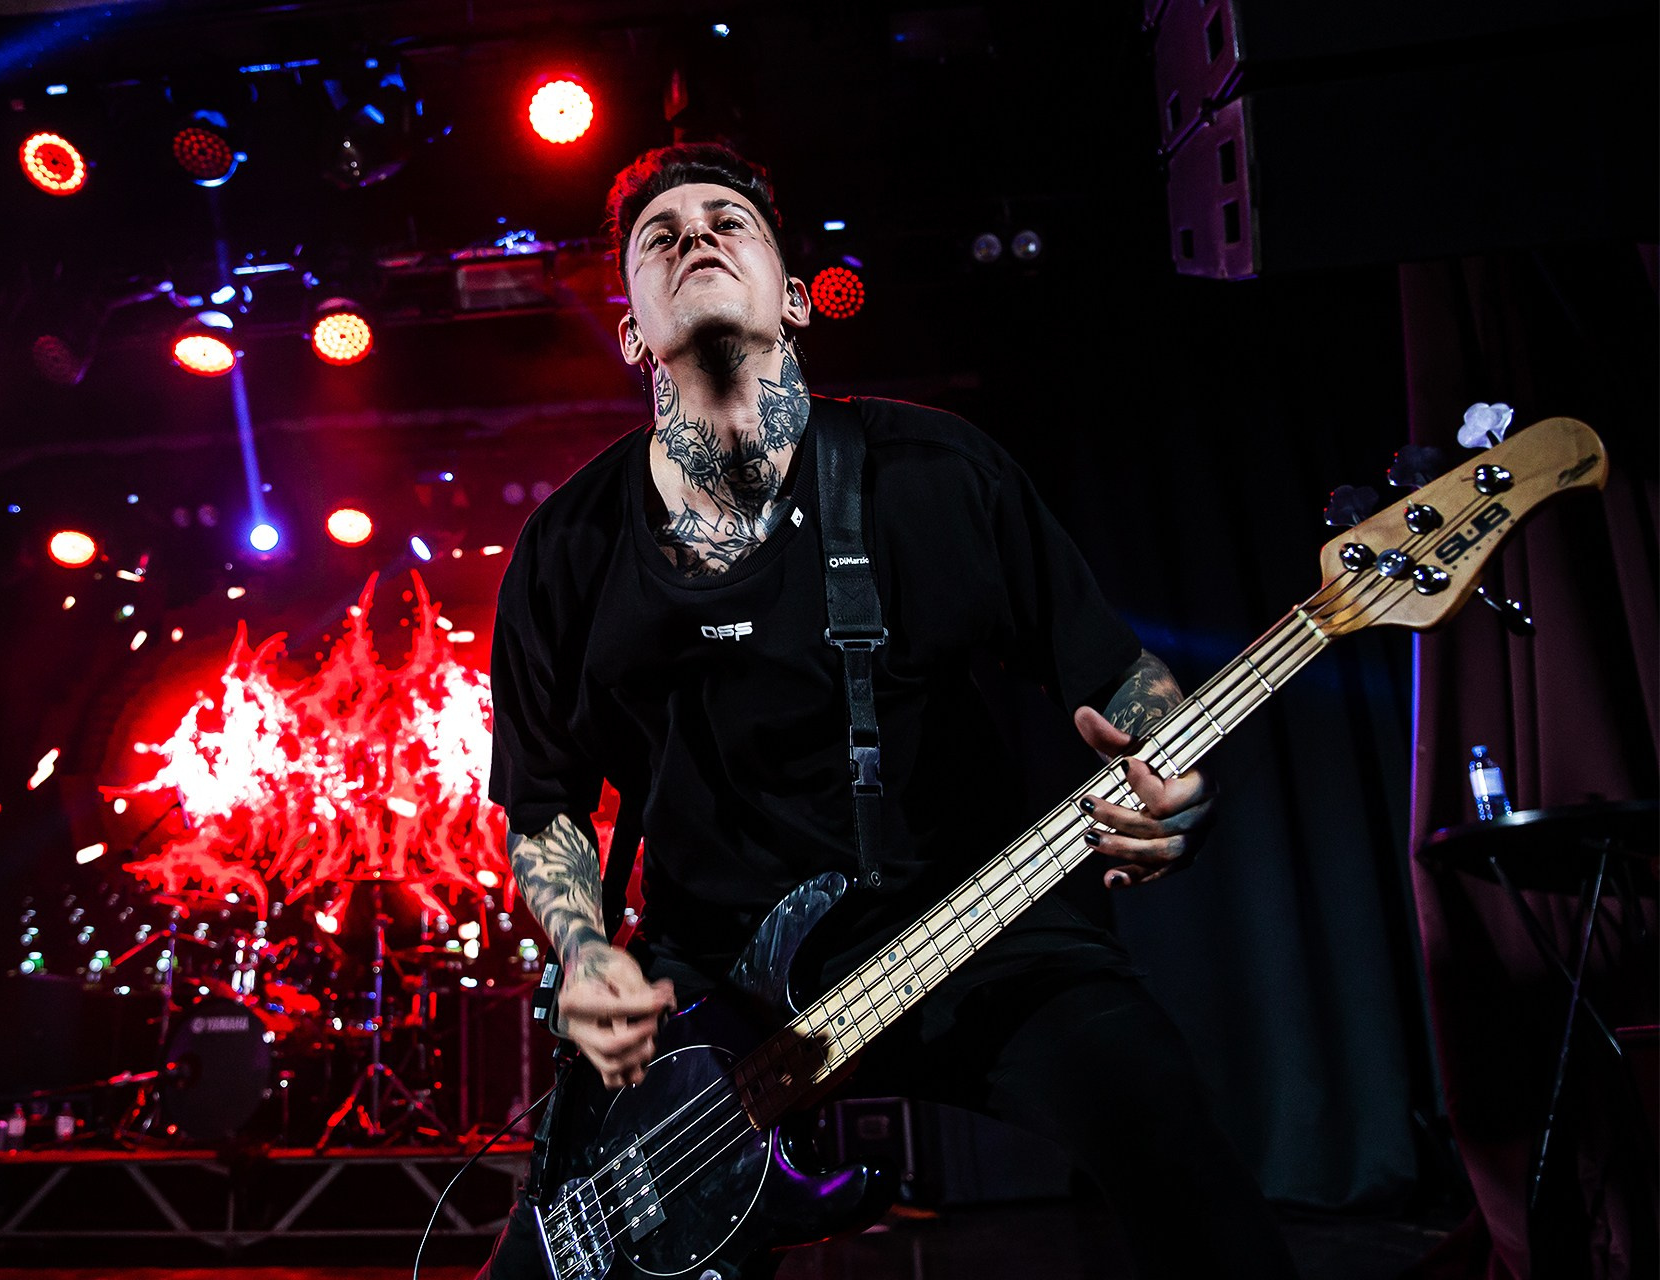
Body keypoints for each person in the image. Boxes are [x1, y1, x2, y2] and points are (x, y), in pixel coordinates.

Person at [480, 142, 1297, 1279]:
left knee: (1176, 1155)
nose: (695, 237)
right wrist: (581, 951)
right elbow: (542, 802)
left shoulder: (933, 470)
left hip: (976, 925)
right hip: (712, 983)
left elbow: (1117, 675)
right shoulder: (565, 550)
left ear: (797, 299)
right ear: (630, 330)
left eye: (728, 222)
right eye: (659, 237)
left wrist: (1171, 775)